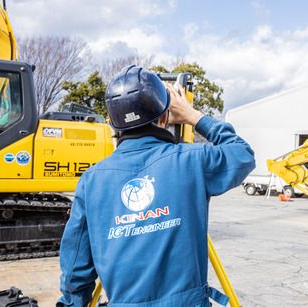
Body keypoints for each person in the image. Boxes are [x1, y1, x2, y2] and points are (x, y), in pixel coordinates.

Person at [57, 65, 255, 306]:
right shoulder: (192, 161)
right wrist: (193, 116)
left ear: (114, 124)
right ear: (164, 117)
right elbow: (242, 155)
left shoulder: (91, 181)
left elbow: (76, 268)